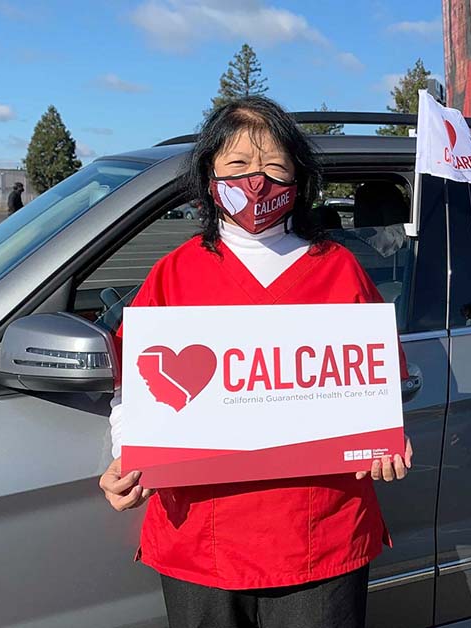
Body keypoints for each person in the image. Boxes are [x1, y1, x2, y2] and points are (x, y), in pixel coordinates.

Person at [97, 96, 412, 628]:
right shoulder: (173, 275)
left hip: (319, 535)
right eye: (238, 166)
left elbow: (375, 379)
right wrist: (127, 457)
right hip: (201, 538)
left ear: (298, 180)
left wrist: (385, 436)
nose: (256, 183)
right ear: (209, 175)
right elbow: (135, 387)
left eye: (273, 167)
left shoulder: (338, 269)